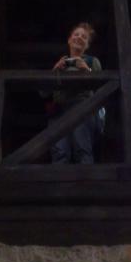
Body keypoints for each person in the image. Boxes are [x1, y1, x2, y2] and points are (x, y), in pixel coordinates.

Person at [49, 22, 102, 164]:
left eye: (84, 37)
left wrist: (86, 69)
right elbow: (43, 92)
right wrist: (55, 71)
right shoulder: (62, 62)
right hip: (59, 110)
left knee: (82, 148)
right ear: (69, 40)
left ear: (87, 45)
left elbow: (100, 86)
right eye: (76, 34)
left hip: (83, 108)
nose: (79, 37)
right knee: (59, 152)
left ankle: (86, 177)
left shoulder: (92, 61)